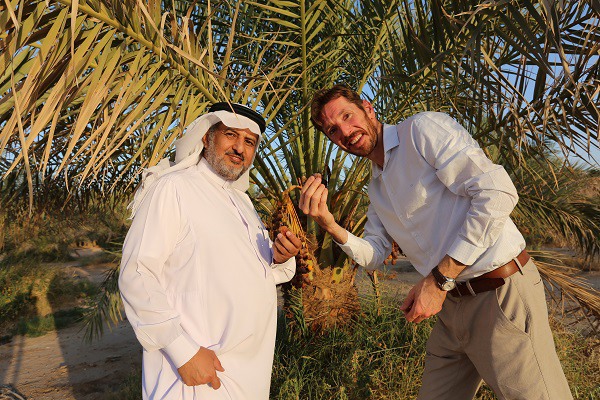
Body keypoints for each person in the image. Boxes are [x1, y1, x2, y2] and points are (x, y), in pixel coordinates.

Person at [300, 85, 573, 400]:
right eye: (333, 130)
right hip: (451, 306)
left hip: (498, 292)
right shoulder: (377, 188)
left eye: (347, 116)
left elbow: (497, 192)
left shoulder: (420, 131)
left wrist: (440, 278)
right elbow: (375, 254)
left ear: (368, 109)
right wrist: (328, 223)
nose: (345, 132)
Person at [119, 102, 302, 399]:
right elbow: (137, 272)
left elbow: (252, 270)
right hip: (199, 370)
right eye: (231, 135)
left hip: (248, 371)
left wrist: (279, 258)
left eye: (249, 142)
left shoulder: (243, 203)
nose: (239, 148)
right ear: (206, 137)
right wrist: (182, 351)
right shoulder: (174, 188)